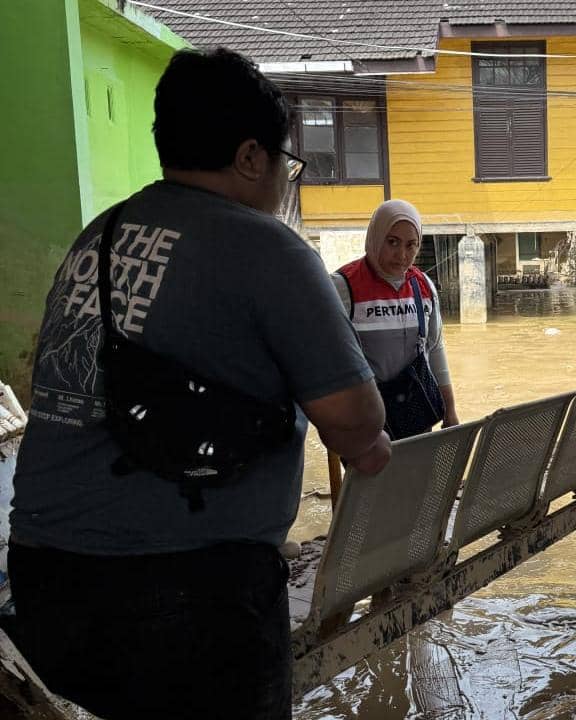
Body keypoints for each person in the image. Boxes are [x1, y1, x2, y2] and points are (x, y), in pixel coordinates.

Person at [8, 48, 391, 719]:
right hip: (188, 592)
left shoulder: (98, 236)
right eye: (285, 163)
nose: (283, 181)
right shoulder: (269, 250)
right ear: (250, 157)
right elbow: (355, 423)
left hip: (44, 575)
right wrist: (372, 445)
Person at [332, 200, 459, 437]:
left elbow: (435, 349)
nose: (402, 255)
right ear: (376, 237)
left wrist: (450, 410)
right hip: (366, 424)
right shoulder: (342, 288)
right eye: (392, 242)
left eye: (411, 245)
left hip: (417, 414)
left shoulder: (423, 286)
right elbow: (325, 364)